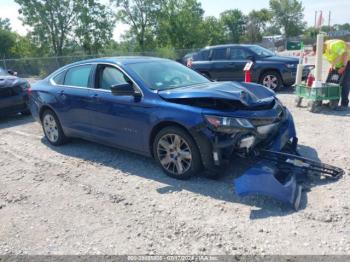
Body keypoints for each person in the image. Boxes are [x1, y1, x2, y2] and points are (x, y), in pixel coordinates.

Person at [313, 39, 350, 109]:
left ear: (321, 47)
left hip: (347, 62)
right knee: (331, 82)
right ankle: (333, 102)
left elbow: (344, 54)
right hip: (338, 65)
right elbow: (335, 57)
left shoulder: (333, 45)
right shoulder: (324, 49)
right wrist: (332, 66)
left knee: (344, 83)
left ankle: (344, 104)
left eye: (320, 52)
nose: (321, 53)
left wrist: (343, 66)